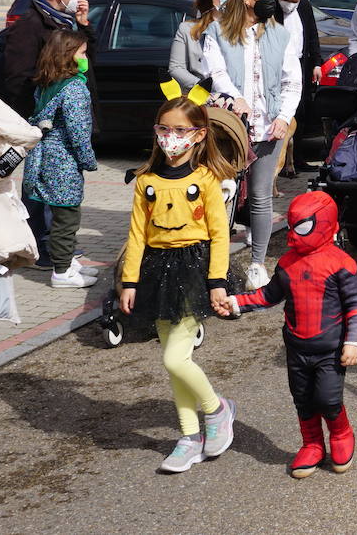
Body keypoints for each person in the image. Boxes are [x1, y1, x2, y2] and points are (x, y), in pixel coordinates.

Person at [120, 95, 237, 473]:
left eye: (180, 130)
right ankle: (189, 438)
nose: (171, 137)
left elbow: (220, 234)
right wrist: (129, 280)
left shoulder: (205, 178)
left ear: (199, 135)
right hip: (156, 272)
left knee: (175, 358)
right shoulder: (146, 181)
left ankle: (217, 409)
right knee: (174, 364)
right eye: (164, 129)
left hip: (193, 269)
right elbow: (137, 234)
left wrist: (217, 280)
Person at [222, 191, 357, 479]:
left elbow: (356, 305)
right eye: (292, 226)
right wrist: (237, 302)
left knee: (327, 398)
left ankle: (341, 434)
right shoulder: (287, 263)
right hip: (297, 348)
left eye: (302, 227)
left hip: (331, 349)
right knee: (302, 399)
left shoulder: (341, 263)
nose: (293, 235)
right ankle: (312, 444)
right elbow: (269, 295)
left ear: (324, 224)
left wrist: (353, 342)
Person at [202, 0, 302, 289]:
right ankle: (215, 262)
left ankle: (258, 263)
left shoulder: (279, 34)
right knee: (223, 197)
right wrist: (237, 98)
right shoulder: (218, 32)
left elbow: (291, 81)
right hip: (231, 129)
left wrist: (284, 116)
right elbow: (216, 72)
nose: (272, 0)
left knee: (260, 197)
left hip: (269, 129)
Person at [2, 0, 97, 268]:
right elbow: (16, 77)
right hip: (43, 124)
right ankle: (47, 250)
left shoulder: (63, 21)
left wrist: (83, 26)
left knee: (54, 188)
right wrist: (40, 108)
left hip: (61, 117)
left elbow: (86, 54)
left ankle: (58, 248)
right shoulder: (30, 25)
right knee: (41, 187)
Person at [22, 30, 99, 289]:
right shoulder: (74, 87)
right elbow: (78, 132)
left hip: (43, 158)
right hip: (63, 161)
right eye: (82, 53)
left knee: (56, 214)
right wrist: (88, 160)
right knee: (67, 217)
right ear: (68, 56)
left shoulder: (47, 83)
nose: (86, 58)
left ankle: (65, 262)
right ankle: (62, 271)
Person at [275, 0, 323, 175]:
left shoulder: (304, 6)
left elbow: (312, 35)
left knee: (300, 111)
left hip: (301, 63)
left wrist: (317, 63)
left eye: (296, 0)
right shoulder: (273, 9)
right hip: (277, 65)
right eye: (289, 0)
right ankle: (280, 159)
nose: (292, 5)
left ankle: (297, 158)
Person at [169, 0, 232, 93]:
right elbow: (176, 68)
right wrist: (202, 87)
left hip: (231, 97)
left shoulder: (237, 29)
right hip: (199, 96)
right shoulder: (186, 29)